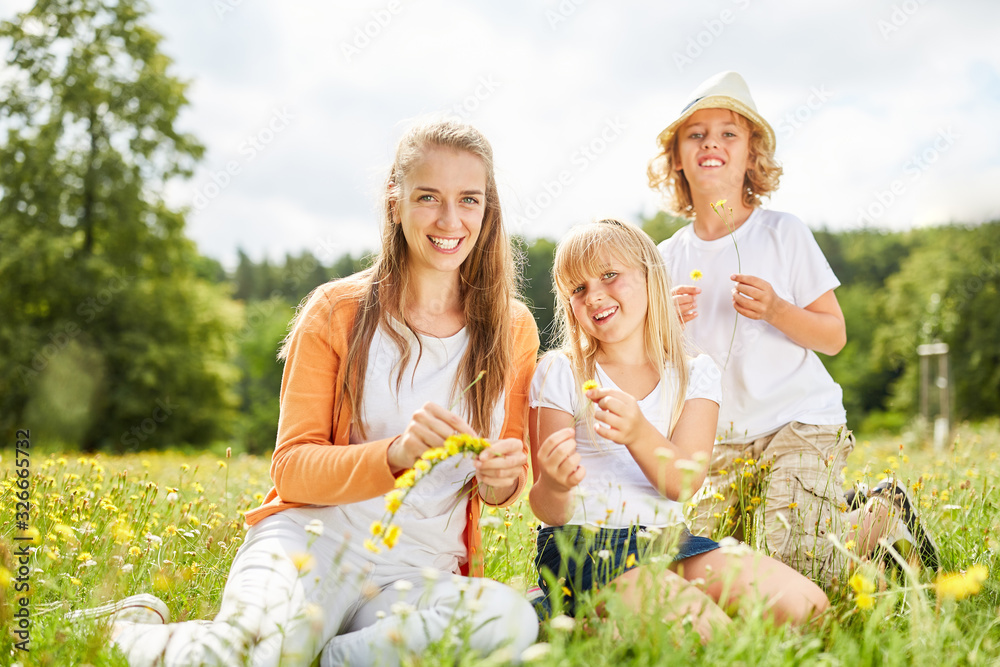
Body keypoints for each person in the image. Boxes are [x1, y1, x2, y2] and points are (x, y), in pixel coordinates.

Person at [68, 119, 540, 666]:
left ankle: (323, 655)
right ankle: (130, 629)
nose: (449, 220)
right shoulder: (336, 311)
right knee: (233, 658)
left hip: (417, 573)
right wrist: (394, 455)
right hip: (312, 545)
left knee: (509, 620)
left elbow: (504, 477)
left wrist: (503, 480)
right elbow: (291, 468)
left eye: (469, 200)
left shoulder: (513, 328)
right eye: (428, 197)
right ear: (395, 203)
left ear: (488, 211)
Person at [648, 71, 939, 584]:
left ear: (751, 156)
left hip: (799, 422)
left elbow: (833, 335)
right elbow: (651, 367)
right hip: (720, 440)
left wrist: (779, 310)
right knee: (701, 567)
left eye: (728, 134)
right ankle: (854, 514)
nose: (711, 142)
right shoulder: (664, 258)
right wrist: (661, 328)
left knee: (801, 570)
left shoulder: (782, 233)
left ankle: (881, 514)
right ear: (676, 157)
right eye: (696, 134)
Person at [528, 218, 828, 640]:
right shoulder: (561, 371)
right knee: (709, 638)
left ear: (652, 278)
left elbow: (682, 483)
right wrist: (557, 485)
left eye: (610, 275)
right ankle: (568, 610)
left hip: (671, 543)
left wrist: (638, 433)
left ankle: (601, 616)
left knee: (806, 608)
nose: (594, 294)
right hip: (583, 546)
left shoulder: (692, 372)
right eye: (577, 289)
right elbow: (547, 508)